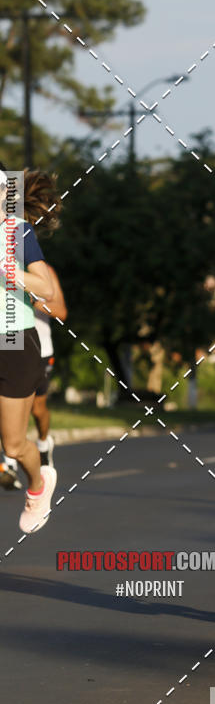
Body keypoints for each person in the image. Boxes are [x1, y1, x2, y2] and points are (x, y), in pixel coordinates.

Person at [0, 167, 61, 532]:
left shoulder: (17, 232)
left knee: (13, 446)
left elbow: (47, 289)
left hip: (13, 342)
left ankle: (38, 485)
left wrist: (10, 271)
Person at [1, 265, 67, 488]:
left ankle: (43, 443)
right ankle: (9, 463)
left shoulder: (45, 271)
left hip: (40, 349)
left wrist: (32, 300)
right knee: (7, 404)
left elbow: (61, 312)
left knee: (37, 409)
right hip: (10, 343)